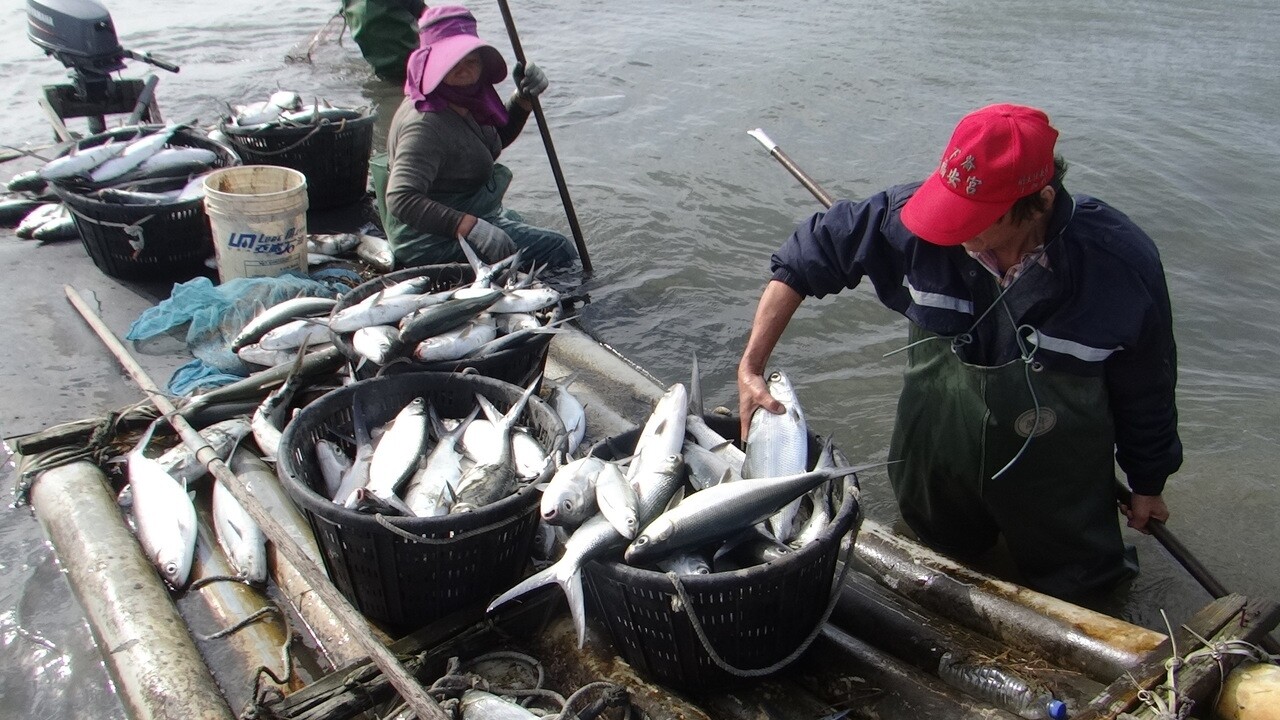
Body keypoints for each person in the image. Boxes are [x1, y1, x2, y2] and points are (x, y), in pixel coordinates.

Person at [736, 104, 1183, 600]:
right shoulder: (914, 222)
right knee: (930, 562)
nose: (950, 232)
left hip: (1055, 478)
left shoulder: (1118, 267)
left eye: (974, 220)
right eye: (949, 210)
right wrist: (752, 366)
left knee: (1085, 589)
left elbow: (1148, 385)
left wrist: (1148, 481)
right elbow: (808, 254)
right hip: (936, 457)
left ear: (1039, 202)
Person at [383, 5, 577, 269]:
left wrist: (523, 100)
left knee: (520, 221)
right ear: (431, 65)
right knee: (558, 248)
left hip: (468, 208)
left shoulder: (467, 99)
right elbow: (401, 198)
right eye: (452, 62)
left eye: (471, 60)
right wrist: (468, 227)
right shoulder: (425, 125)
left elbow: (486, 145)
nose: (464, 70)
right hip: (427, 240)